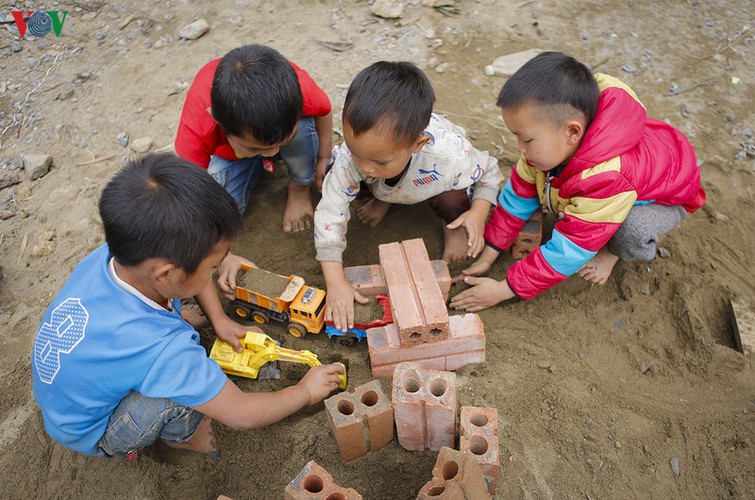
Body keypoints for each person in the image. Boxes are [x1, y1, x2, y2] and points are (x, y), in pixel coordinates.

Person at [31, 153, 343, 458]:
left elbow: (179, 280)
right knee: (176, 398)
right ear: (167, 273)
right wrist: (304, 392)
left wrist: (218, 318)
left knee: (177, 308)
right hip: (94, 430)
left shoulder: (114, 257)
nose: (218, 269)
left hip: (65, 391)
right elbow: (241, 414)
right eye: (213, 267)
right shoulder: (165, 350)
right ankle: (184, 438)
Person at [450, 51, 706, 312]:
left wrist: (504, 290)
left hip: (669, 199)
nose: (519, 148)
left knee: (630, 230)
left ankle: (613, 255)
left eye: (525, 140)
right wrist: (491, 251)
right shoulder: (546, 147)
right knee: (549, 186)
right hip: (638, 172)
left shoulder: (607, 177)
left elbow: (570, 250)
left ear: (572, 131)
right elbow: (517, 195)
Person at [314, 61, 504, 331]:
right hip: (393, 182)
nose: (365, 166)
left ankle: (449, 226)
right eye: (356, 151)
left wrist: (478, 212)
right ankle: (385, 197)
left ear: (417, 144)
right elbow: (330, 213)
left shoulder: (450, 155)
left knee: (454, 200)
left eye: (379, 160)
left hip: (433, 180)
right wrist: (335, 282)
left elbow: (490, 171)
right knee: (338, 177)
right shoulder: (355, 160)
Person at [175, 44, 333, 233]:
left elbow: (324, 111)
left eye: (281, 143)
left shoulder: (298, 90)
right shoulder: (197, 126)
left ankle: (300, 187)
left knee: (302, 129)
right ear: (218, 120)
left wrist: (323, 157)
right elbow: (192, 189)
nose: (272, 152)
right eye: (255, 148)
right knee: (220, 216)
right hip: (231, 157)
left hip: (270, 140)